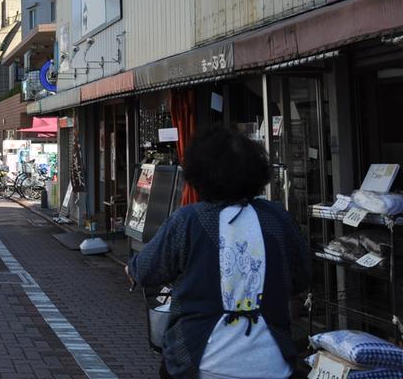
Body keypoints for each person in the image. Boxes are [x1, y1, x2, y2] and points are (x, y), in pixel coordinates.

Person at [126, 126, 310, 379]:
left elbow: (145, 270)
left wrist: (132, 269)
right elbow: (301, 277)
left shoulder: (189, 219)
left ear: (200, 175)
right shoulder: (278, 218)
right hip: (272, 363)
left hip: (200, 360)